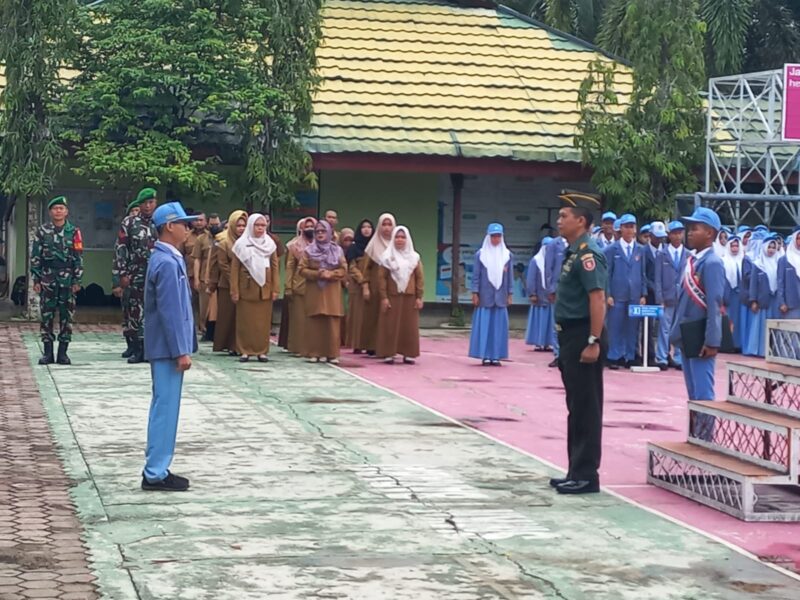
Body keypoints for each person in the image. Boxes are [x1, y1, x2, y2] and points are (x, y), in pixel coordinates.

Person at [550, 194, 608, 495]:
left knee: (586, 407)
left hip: (583, 334)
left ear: (581, 221)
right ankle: (575, 469)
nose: (559, 221)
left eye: (564, 216)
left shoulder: (588, 254)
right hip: (570, 335)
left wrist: (593, 340)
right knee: (576, 406)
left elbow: (597, 298)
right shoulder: (572, 251)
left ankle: (586, 475)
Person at [141, 201, 197, 492]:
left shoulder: (168, 258)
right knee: (165, 408)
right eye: (184, 223)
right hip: (168, 349)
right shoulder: (165, 261)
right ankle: (155, 472)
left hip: (166, 347)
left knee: (164, 407)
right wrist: (181, 350)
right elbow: (171, 311)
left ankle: (157, 466)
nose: (188, 228)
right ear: (168, 227)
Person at [669, 208, 725, 442]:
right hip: (687, 335)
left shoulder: (712, 263)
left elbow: (715, 304)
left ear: (710, 233)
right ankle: (695, 436)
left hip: (701, 336)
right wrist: (674, 335)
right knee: (693, 391)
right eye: (689, 228)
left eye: (695, 229)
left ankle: (705, 438)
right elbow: (681, 300)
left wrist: (712, 340)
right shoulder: (692, 260)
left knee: (703, 391)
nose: (689, 233)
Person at [31, 196, 84, 366]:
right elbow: (35, 256)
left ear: (66, 211)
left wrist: (77, 279)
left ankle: (63, 353)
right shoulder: (42, 231)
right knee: (46, 315)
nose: (58, 211)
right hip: (47, 278)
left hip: (67, 279)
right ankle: (47, 353)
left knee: (66, 316)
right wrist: (36, 278)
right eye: (55, 208)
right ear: (50, 212)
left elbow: (78, 256)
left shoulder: (74, 231)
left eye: (61, 208)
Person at [112, 187, 158, 364]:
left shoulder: (160, 222)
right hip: (135, 274)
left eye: (151, 202)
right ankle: (137, 349)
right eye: (144, 203)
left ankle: (151, 350)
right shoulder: (129, 223)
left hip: (156, 274)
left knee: (153, 311)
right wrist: (121, 274)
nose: (147, 206)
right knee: (135, 312)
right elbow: (121, 249)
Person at [230, 214, 280, 363]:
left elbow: (275, 267)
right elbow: (234, 269)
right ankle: (244, 351)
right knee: (245, 322)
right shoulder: (241, 244)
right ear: (251, 226)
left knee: (262, 323)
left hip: (264, 288)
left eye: (263, 225)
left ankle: (261, 351)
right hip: (246, 287)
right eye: (257, 225)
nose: (260, 228)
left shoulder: (270, 244)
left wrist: (275, 289)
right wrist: (234, 290)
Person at [299, 221, 347, 363]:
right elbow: (301, 269)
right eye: (317, 231)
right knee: (315, 322)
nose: (320, 234)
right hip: (315, 291)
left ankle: (332, 354)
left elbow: (344, 270)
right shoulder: (309, 251)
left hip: (332, 292)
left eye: (323, 231)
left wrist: (331, 275)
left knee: (331, 323)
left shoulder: (337, 250)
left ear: (329, 233)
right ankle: (314, 353)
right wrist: (317, 274)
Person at [376, 226, 424, 364]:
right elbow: (381, 278)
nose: (400, 240)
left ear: (407, 239)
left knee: (409, 327)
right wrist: (384, 297)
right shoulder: (386, 257)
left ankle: (409, 353)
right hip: (392, 295)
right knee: (389, 325)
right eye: (397, 237)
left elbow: (420, 278)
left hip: (410, 296)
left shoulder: (414, 257)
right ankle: (388, 353)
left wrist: (419, 296)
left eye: (403, 237)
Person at [604, 214, 647, 369]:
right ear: (620, 229)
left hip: (634, 294)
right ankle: (614, 355)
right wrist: (607, 294)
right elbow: (606, 273)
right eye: (627, 227)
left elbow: (643, 273)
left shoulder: (640, 250)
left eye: (632, 227)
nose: (630, 230)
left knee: (632, 327)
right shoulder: (611, 249)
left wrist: (643, 293)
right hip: (617, 294)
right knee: (615, 326)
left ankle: (629, 356)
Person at [469, 223, 513, 366]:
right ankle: (485, 355)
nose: (496, 239)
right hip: (485, 296)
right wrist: (475, 292)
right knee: (485, 327)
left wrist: (510, 293)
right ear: (488, 237)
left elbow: (509, 277)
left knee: (499, 328)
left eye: (498, 236)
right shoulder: (480, 255)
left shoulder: (507, 255)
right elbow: (476, 276)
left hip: (500, 297)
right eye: (493, 236)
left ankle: (496, 356)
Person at [207, 209, 247, 355]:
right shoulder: (223, 242)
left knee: (241, 317)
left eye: (244, 226)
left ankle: (240, 345)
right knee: (227, 315)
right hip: (226, 284)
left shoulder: (249, 243)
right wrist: (234, 281)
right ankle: (228, 344)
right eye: (238, 225)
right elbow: (222, 265)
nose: (241, 229)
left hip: (245, 286)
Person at [361, 213, 397, 355]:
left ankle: (389, 346)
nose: (387, 228)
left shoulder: (399, 244)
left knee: (390, 317)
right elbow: (365, 269)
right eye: (384, 224)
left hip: (393, 286)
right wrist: (365, 286)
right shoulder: (373, 245)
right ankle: (372, 346)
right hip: (376, 286)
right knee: (374, 316)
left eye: (389, 224)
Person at [654, 221, 687, 370]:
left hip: (682, 297)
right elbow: (658, 279)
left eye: (680, 232)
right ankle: (662, 357)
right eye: (674, 233)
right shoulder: (662, 254)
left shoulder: (688, 254)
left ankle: (679, 357)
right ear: (669, 235)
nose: (677, 236)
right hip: (667, 297)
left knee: (679, 328)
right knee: (664, 328)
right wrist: (659, 298)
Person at [285, 216, 317, 357]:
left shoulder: (321, 245)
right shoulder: (294, 246)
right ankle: (298, 348)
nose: (309, 229)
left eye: (312, 226)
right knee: (299, 319)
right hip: (299, 285)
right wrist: (288, 286)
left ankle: (312, 347)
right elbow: (290, 267)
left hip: (316, 287)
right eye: (307, 226)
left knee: (313, 320)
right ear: (301, 229)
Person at [745, 235, 780, 357]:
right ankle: (759, 350)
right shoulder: (758, 264)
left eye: (773, 247)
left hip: (774, 299)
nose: (771, 250)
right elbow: (753, 284)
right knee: (760, 326)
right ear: (764, 248)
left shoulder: (778, 263)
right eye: (769, 247)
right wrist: (753, 300)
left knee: (774, 324)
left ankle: (772, 350)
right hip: (762, 300)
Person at [346, 219, 374, 353]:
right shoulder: (354, 247)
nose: (366, 229)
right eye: (363, 227)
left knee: (370, 315)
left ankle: (370, 344)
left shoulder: (376, 247)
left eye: (369, 227)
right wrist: (362, 281)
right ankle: (357, 343)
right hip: (357, 286)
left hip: (373, 285)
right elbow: (351, 267)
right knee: (357, 315)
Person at [525, 236, 555, 351]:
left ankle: (548, 343)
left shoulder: (555, 261)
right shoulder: (536, 260)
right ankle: (538, 343)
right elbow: (531, 278)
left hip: (551, 298)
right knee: (539, 321)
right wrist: (532, 293)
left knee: (550, 322)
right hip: (539, 298)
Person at [191, 214, 217, 341]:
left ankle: (214, 332)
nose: (214, 227)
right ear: (208, 224)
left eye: (217, 225)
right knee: (204, 308)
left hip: (218, 279)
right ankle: (204, 330)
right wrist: (196, 278)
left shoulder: (223, 238)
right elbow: (197, 260)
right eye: (212, 224)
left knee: (216, 309)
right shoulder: (201, 239)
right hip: (204, 278)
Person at [544, 236, 568, 367]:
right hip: (558, 289)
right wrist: (550, 289)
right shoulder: (554, 244)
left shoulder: (579, 242)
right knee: (557, 324)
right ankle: (558, 354)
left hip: (574, 289)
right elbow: (549, 268)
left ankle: (569, 354)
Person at [185, 212, 207, 334]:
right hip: (189, 274)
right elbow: (180, 253)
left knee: (204, 303)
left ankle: (203, 327)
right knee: (189, 302)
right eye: (196, 220)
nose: (199, 222)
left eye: (201, 220)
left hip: (204, 275)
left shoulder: (209, 237)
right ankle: (190, 327)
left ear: (206, 222)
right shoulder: (186, 236)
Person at [722, 236, 745, 350]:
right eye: (732, 246)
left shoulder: (744, 260)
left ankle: (738, 344)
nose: (735, 248)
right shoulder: (723, 260)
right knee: (728, 319)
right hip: (728, 294)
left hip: (740, 295)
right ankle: (727, 345)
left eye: (737, 246)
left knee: (739, 319)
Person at [339, 227, 355, 346]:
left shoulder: (355, 252)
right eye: (346, 240)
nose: (348, 243)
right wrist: (344, 280)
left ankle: (349, 340)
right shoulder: (337, 251)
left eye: (351, 240)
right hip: (339, 287)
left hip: (353, 287)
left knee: (351, 314)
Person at [778, 232, 800, 320]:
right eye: (798, 238)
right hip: (791, 304)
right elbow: (780, 282)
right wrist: (782, 302)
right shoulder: (784, 259)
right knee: (791, 332)